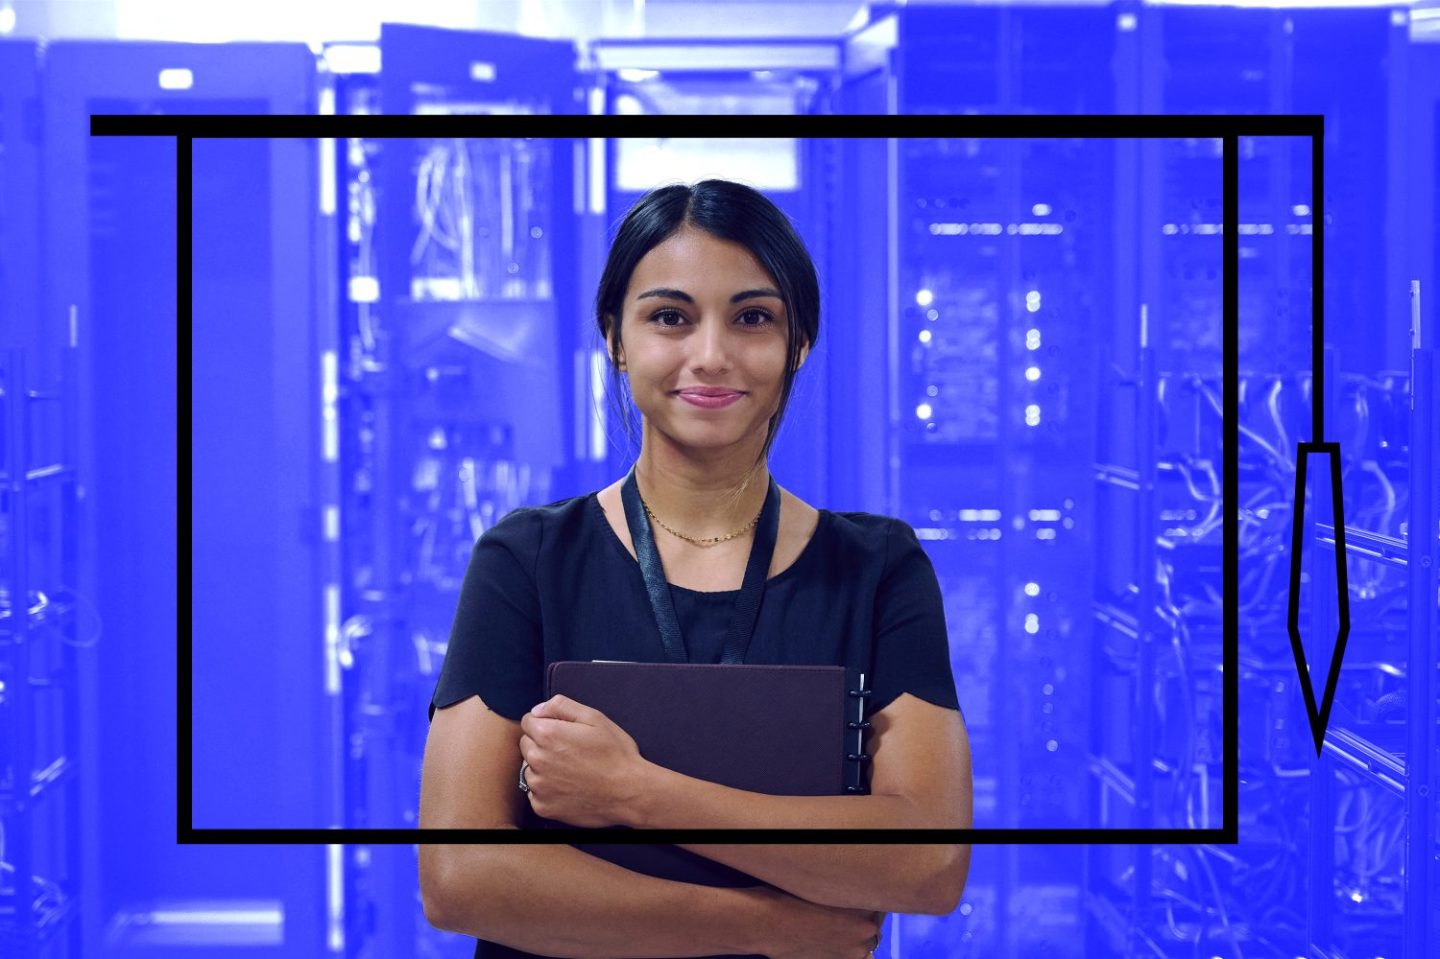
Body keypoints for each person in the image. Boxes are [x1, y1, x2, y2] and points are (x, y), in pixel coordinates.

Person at [419, 179, 973, 959]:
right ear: (615, 336)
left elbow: (930, 861)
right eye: (670, 317)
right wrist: (768, 924)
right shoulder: (530, 560)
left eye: (752, 317)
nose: (710, 355)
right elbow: (458, 877)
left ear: (799, 343)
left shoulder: (877, 569)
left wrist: (638, 793)